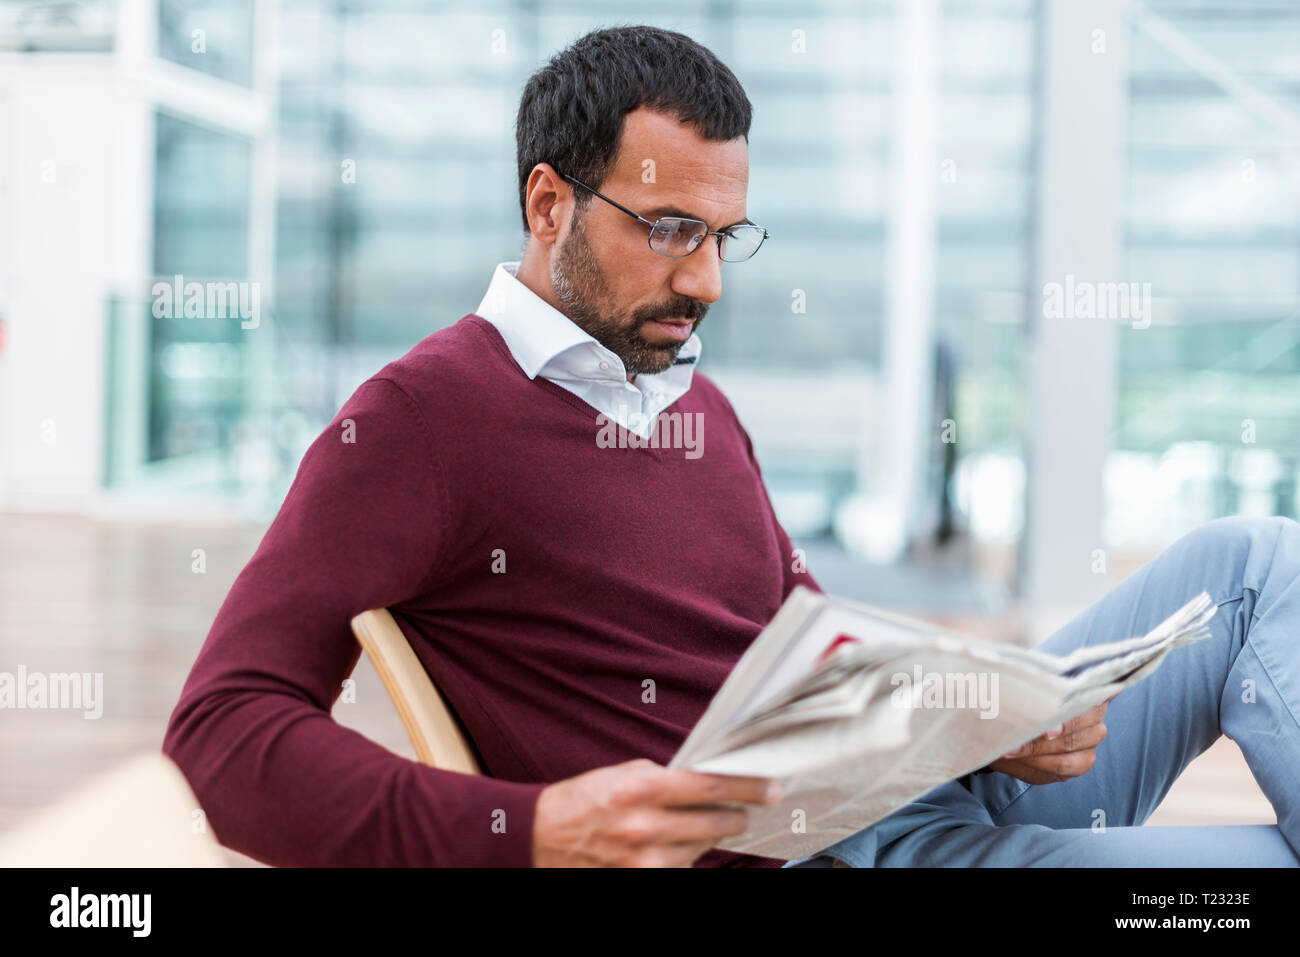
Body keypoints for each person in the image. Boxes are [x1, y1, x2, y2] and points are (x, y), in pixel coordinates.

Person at [163, 25, 1299, 868]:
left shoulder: (693, 404)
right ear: (548, 203)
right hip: (831, 859)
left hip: (925, 793)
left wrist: (988, 720)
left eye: (723, 236)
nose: (704, 280)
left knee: (1258, 561)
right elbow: (222, 730)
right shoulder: (419, 419)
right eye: (667, 231)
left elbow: (808, 645)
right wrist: (531, 827)